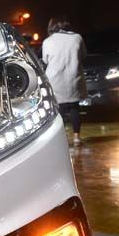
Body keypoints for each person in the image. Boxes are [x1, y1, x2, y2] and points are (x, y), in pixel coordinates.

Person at [41, 17, 86, 145]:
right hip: (74, 77)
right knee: (74, 107)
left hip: (55, 80)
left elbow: (45, 60)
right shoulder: (77, 38)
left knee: (58, 110)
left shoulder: (48, 41)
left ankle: (61, 140)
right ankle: (76, 137)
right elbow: (83, 55)